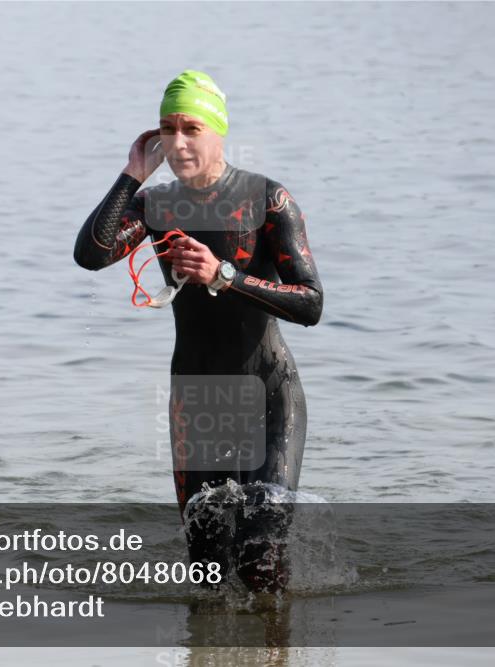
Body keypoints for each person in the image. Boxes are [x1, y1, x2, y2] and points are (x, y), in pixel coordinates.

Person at [73, 70, 324, 593]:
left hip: (267, 392)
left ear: (218, 131)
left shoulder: (266, 200)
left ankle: (276, 649)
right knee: (208, 573)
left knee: (261, 551)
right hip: (199, 401)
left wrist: (224, 275)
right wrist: (131, 175)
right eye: (168, 128)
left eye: (192, 127)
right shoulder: (155, 205)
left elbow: (311, 304)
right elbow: (91, 254)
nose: (179, 141)